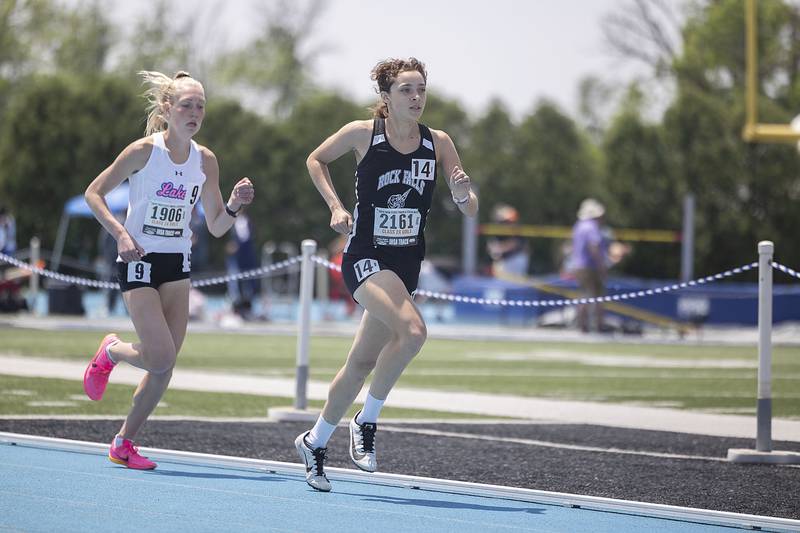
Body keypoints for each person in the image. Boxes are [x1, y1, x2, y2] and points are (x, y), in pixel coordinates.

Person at [295, 57, 478, 492]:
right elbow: (315, 160)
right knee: (414, 332)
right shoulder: (364, 133)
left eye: (420, 89)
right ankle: (367, 419)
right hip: (365, 257)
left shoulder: (439, 142)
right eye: (405, 90)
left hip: (406, 263)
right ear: (386, 97)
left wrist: (462, 194)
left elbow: (470, 208)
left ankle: (314, 440)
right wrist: (336, 206)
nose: (416, 97)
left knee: (359, 364)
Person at [82, 70, 254, 470]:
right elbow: (94, 193)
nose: (194, 113)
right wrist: (121, 235)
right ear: (166, 108)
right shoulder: (144, 151)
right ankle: (110, 351)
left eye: (200, 106)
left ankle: (123, 443)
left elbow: (216, 225)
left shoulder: (205, 160)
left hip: (178, 266)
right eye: (186, 105)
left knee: (165, 366)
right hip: (138, 260)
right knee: (158, 356)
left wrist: (233, 203)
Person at [569, 198, 609, 333]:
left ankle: (582, 325)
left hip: (578, 265)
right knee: (597, 296)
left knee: (584, 295)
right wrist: (601, 264)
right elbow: (594, 247)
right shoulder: (592, 227)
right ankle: (599, 326)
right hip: (590, 266)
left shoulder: (578, 226)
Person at [486, 203, 529, 277]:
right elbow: (493, 248)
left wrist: (499, 249)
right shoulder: (497, 230)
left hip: (515, 258)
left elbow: (516, 243)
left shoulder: (515, 229)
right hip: (504, 261)